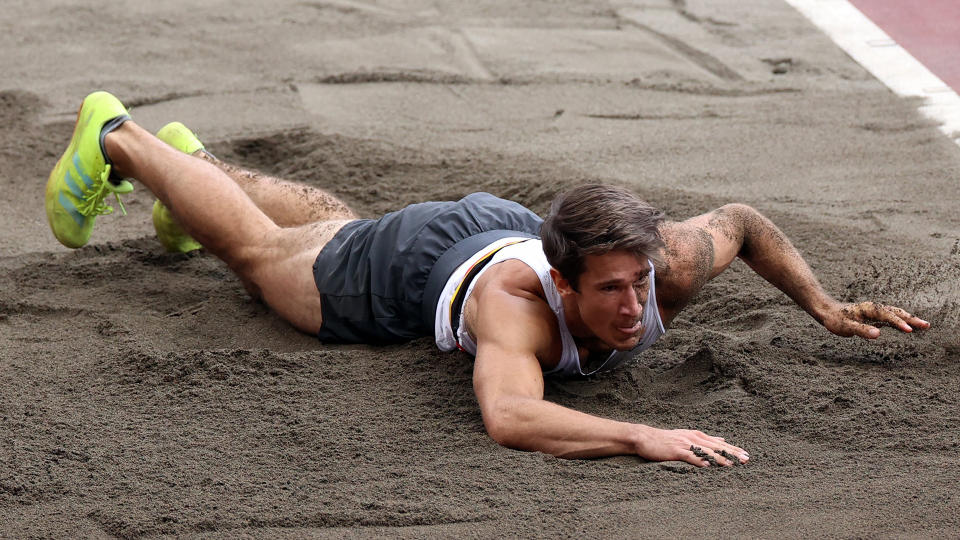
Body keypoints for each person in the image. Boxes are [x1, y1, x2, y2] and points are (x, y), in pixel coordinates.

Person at [46, 92, 930, 468]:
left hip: (486, 225)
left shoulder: (662, 266)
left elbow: (743, 220)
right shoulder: (516, 310)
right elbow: (509, 415)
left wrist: (823, 306)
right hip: (409, 271)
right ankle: (118, 136)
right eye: (611, 292)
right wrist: (641, 435)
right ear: (563, 280)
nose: (635, 308)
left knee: (338, 220)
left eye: (642, 285)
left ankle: (192, 169)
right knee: (267, 259)